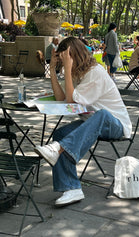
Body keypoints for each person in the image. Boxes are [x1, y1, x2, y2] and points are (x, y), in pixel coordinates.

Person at [34, 37, 132, 207]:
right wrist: (52, 68)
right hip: (92, 123)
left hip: (115, 125)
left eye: (66, 58)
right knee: (60, 134)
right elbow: (62, 99)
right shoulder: (76, 73)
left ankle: (58, 148)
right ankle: (71, 188)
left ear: (75, 56)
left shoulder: (95, 72)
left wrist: (68, 67)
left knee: (101, 114)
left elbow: (71, 102)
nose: (65, 63)